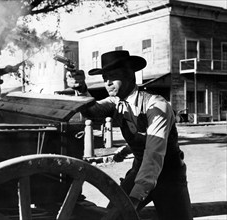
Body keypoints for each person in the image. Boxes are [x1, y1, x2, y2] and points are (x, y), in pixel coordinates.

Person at [66, 50, 193, 220]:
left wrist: (133, 200)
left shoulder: (157, 106)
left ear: (129, 76)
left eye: (113, 77)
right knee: (113, 216)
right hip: (139, 170)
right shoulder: (115, 102)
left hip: (169, 176)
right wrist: (81, 89)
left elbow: (153, 154)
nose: (108, 83)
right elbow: (91, 111)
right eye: (105, 78)